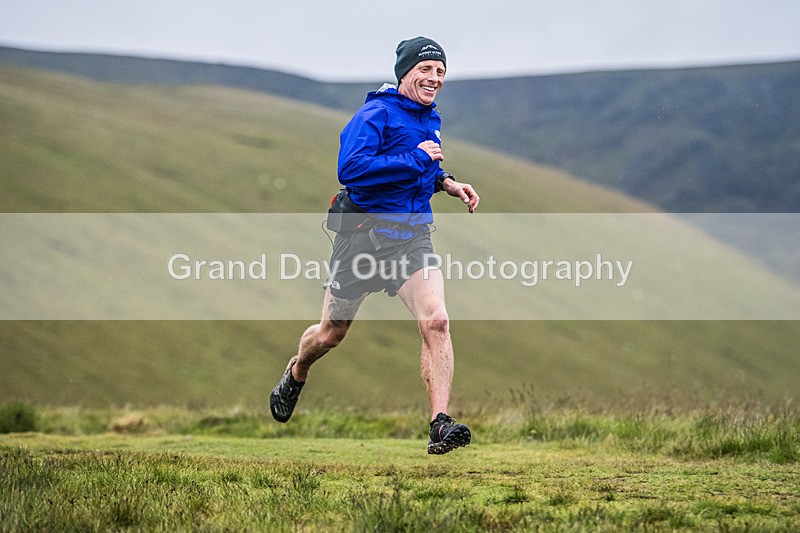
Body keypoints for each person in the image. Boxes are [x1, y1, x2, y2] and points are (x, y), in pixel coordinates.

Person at [269, 36, 480, 455]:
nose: (434, 78)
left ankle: (439, 425)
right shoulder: (375, 113)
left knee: (436, 321)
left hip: (411, 237)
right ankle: (296, 371)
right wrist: (419, 160)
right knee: (331, 333)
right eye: (425, 69)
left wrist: (446, 182)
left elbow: (419, 161)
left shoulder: (427, 116)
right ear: (405, 72)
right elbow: (352, 169)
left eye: (440, 71)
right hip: (362, 237)